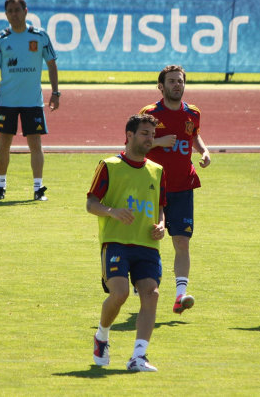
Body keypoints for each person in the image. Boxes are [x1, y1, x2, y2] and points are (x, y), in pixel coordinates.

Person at [87, 114, 166, 372]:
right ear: (129, 135)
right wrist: (112, 211)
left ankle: (138, 357)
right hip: (116, 241)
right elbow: (91, 204)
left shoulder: (157, 170)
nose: (150, 139)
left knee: (151, 294)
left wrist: (162, 225)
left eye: (152, 135)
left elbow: (161, 208)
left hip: (147, 245)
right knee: (119, 294)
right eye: (145, 133)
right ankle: (102, 336)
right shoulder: (109, 165)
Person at [139, 65, 210, 315]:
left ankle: (180, 295)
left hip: (183, 187)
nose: (176, 85)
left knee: (182, 241)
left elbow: (195, 135)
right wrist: (157, 141)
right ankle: (141, 282)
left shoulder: (193, 113)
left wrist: (204, 150)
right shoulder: (149, 114)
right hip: (152, 188)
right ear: (161, 86)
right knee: (148, 239)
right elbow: (133, 145)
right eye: (171, 81)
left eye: (180, 81)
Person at [0, 0, 60, 201]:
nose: (14, 14)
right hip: (7, 101)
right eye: (10, 11)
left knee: (35, 144)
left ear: (26, 12)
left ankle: (38, 188)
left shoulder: (39, 36)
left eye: (17, 10)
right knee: (4, 143)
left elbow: (52, 64)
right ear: (6, 14)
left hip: (32, 102)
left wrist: (55, 92)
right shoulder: (1, 38)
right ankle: (1, 186)